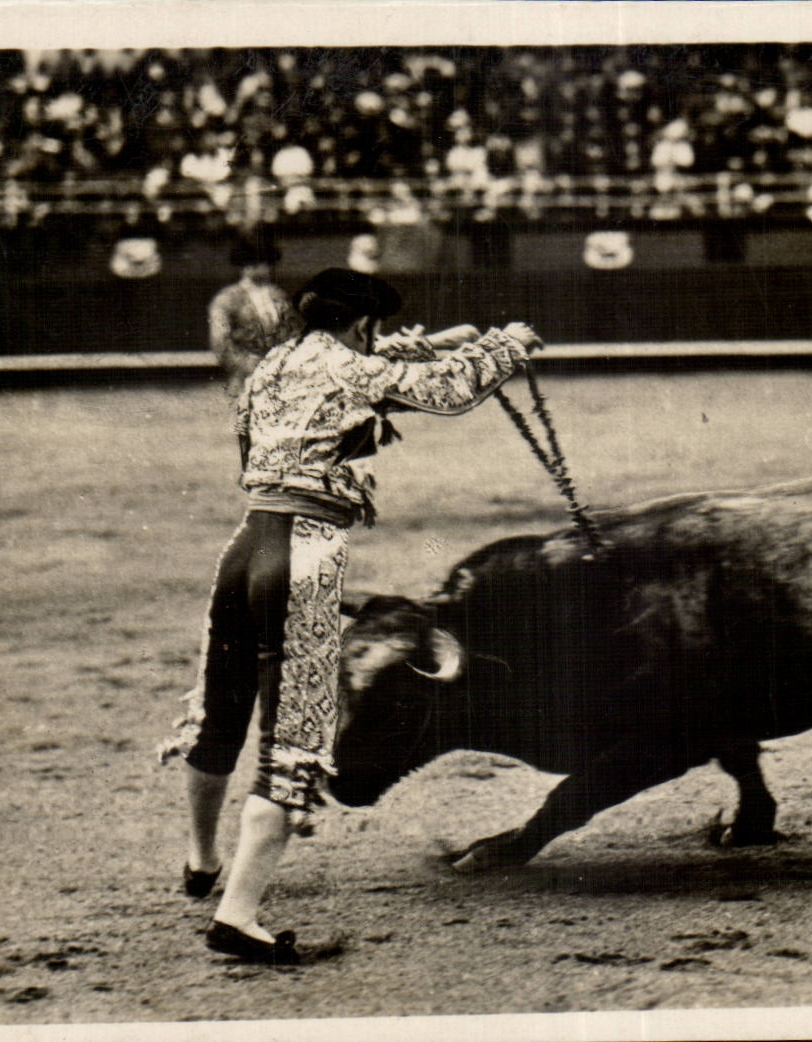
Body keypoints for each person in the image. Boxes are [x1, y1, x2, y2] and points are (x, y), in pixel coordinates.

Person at [159, 267, 540, 965]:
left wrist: (434, 343)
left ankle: (200, 862)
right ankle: (238, 917)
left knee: (220, 711)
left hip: (245, 548)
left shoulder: (277, 362)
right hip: (303, 554)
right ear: (360, 324)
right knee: (293, 740)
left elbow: (368, 366)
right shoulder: (352, 365)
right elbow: (449, 394)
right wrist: (507, 347)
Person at [207, 237, 301, 397]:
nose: (265, 268)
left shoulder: (278, 295)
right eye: (258, 263)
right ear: (244, 267)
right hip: (246, 377)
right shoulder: (228, 298)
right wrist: (243, 364)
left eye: (266, 263)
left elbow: (293, 331)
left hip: (282, 376)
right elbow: (220, 340)